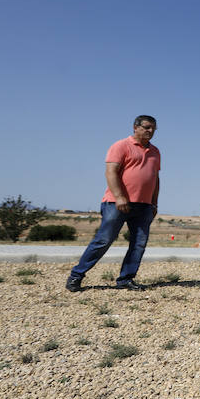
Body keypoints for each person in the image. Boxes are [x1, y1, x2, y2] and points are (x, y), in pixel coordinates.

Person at [66, 116, 160, 293]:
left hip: (143, 206)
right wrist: (119, 197)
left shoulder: (155, 151)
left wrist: (154, 203)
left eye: (153, 128)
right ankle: (76, 276)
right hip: (116, 203)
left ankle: (126, 279)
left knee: (138, 244)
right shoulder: (121, 146)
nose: (150, 131)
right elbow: (111, 172)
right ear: (135, 127)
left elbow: (155, 178)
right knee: (103, 240)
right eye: (147, 127)